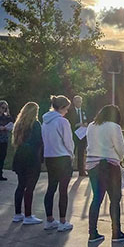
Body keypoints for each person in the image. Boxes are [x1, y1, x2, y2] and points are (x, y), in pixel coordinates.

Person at [86, 104, 124, 243]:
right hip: (110, 165)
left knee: (96, 200)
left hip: (93, 165)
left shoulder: (91, 126)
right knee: (115, 199)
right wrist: (119, 158)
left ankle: (92, 233)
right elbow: (120, 147)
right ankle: (116, 232)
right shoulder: (114, 127)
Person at [42, 95, 74, 232]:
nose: (67, 111)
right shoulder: (62, 122)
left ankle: (49, 219)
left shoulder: (45, 121)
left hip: (49, 156)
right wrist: (71, 154)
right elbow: (68, 141)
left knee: (51, 188)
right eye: (66, 109)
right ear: (61, 107)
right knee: (63, 190)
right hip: (62, 157)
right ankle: (62, 221)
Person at [11, 102, 43, 225]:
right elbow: (38, 141)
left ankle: (18, 213)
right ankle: (28, 215)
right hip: (31, 158)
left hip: (20, 156)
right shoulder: (35, 125)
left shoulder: (18, 124)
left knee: (20, 185)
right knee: (30, 186)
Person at [65, 95, 89, 176]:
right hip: (73, 135)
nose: (79, 103)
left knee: (81, 153)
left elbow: (88, 119)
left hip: (82, 135)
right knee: (72, 152)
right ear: (74, 102)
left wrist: (86, 124)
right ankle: (68, 170)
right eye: (77, 101)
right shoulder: (70, 112)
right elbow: (67, 123)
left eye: (80, 101)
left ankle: (81, 170)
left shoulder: (84, 111)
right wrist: (76, 124)